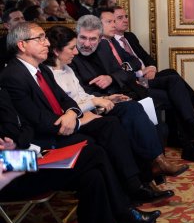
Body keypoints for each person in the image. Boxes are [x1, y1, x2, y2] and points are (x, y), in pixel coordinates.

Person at [0, 21, 173, 204]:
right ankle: (129, 196)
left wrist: (72, 114)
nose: (47, 43)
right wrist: (77, 120)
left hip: (35, 141)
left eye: (45, 38)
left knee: (110, 127)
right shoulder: (12, 76)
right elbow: (32, 122)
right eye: (40, 38)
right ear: (22, 45)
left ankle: (134, 189)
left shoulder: (40, 69)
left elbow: (66, 102)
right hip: (28, 150)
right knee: (94, 152)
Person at [0, 90, 161, 223]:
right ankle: (123, 211)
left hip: (22, 156)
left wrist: (16, 145)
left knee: (92, 176)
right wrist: (22, 153)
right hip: (9, 169)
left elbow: (25, 127)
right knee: (94, 154)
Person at [44, 25, 189, 181]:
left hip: (98, 103)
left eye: (93, 39)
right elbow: (67, 106)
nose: (77, 50)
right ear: (57, 51)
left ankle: (153, 170)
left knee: (136, 109)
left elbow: (83, 94)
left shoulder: (68, 68)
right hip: (83, 115)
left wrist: (108, 98)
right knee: (129, 117)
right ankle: (150, 172)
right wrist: (98, 100)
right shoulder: (49, 74)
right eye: (73, 47)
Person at [70, 14, 194, 163]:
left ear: (99, 38)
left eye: (93, 39)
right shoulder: (70, 55)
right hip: (108, 101)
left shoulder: (104, 46)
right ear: (77, 35)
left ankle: (188, 144)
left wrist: (111, 78)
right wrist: (107, 95)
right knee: (172, 86)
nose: (87, 44)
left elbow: (125, 71)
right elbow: (79, 92)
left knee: (174, 93)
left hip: (129, 90)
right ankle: (189, 132)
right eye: (83, 38)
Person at [112, 5, 194, 124]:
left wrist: (151, 68)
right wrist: (141, 73)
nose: (126, 20)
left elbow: (147, 58)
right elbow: (123, 69)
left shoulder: (130, 37)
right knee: (174, 85)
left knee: (171, 74)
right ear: (112, 21)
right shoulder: (110, 43)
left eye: (126, 16)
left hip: (148, 76)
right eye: (120, 18)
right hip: (137, 82)